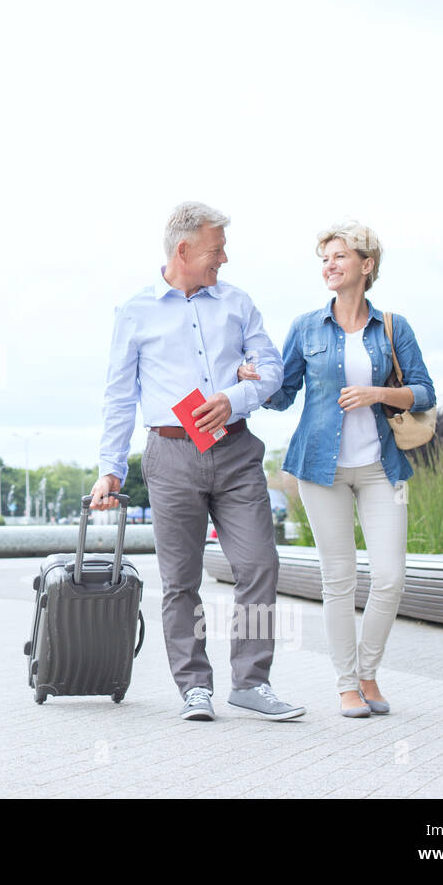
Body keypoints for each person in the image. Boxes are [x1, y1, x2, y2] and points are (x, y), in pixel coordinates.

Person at [89, 201, 305, 722]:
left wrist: (235, 398)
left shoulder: (237, 303)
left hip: (234, 450)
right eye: (216, 249)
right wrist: (110, 467)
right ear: (183, 250)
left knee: (259, 565)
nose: (224, 259)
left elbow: (272, 369)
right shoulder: (135, 311)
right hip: (170, 454)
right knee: (181, 579)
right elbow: (120, 395)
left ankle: (251, 682)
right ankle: (194, 687)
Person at [253, 221, 435, 717]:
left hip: (381, 468)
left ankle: (369, 673)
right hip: (319, 467)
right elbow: (284, 393)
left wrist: (378, 393)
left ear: (366, 265)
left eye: (339, 257)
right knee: (338, 579)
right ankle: (346, 686)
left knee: (391, 578)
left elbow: (424, 392)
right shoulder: (306, 327)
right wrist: (256, 379)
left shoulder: (394, 326)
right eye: (324, 259)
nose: (329, 266)